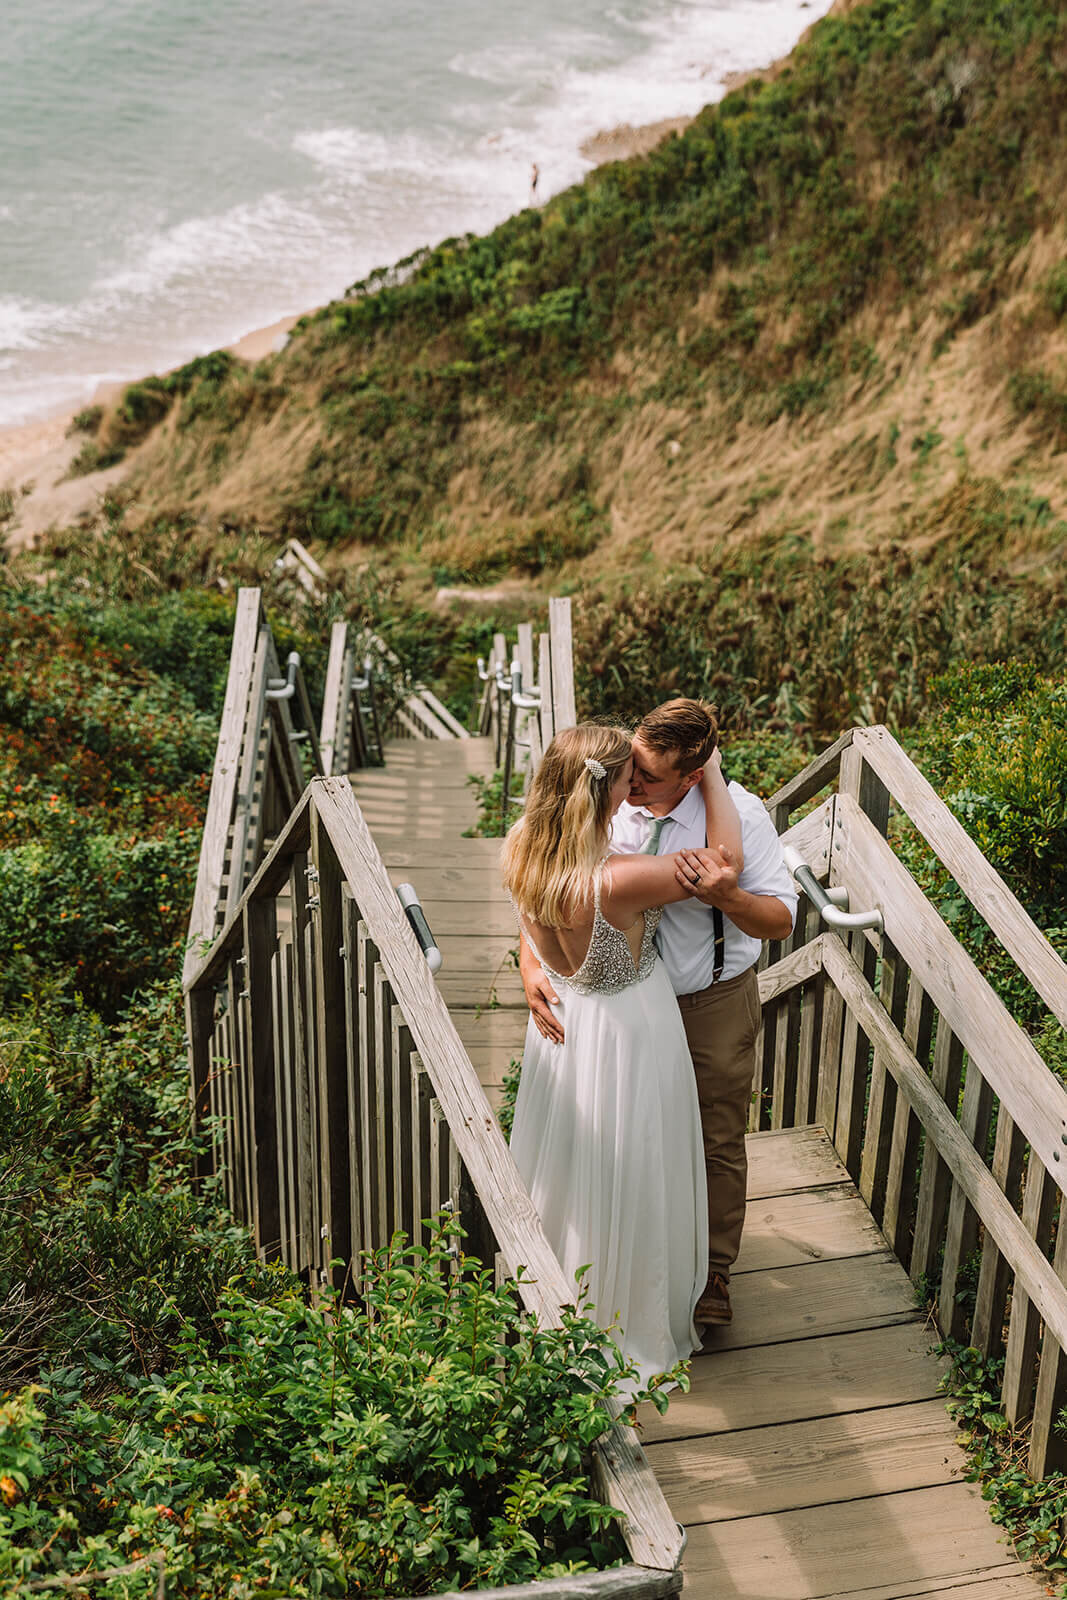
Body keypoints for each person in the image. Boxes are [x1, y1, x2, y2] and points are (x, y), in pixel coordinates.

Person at [520, 699, 797, 1328]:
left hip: (707, 1003)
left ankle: (713, 1275)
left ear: (691, 777)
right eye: (629, 770)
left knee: (713, 1140)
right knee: (625, 1143)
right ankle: (640, 1271)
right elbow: (547, 871)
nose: (633, 783)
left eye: (647, 775)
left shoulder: (740, 816)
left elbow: (780, 919)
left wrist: (731, 898)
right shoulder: (606, 805)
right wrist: (531, 965)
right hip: (614, 1016)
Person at [503, 721, 744, 1391]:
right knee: (637, 1170)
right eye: (626, 781)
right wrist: (713, 773)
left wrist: (529, 966)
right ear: (607, 794)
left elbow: (527, 920)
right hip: (631, 1031)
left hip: (563, 1027)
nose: (635, 788)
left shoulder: (522, 846)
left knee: (573, 1171)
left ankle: (554, 1304)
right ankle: (625, 1316)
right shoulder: (621, 880)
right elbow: (724, 867)